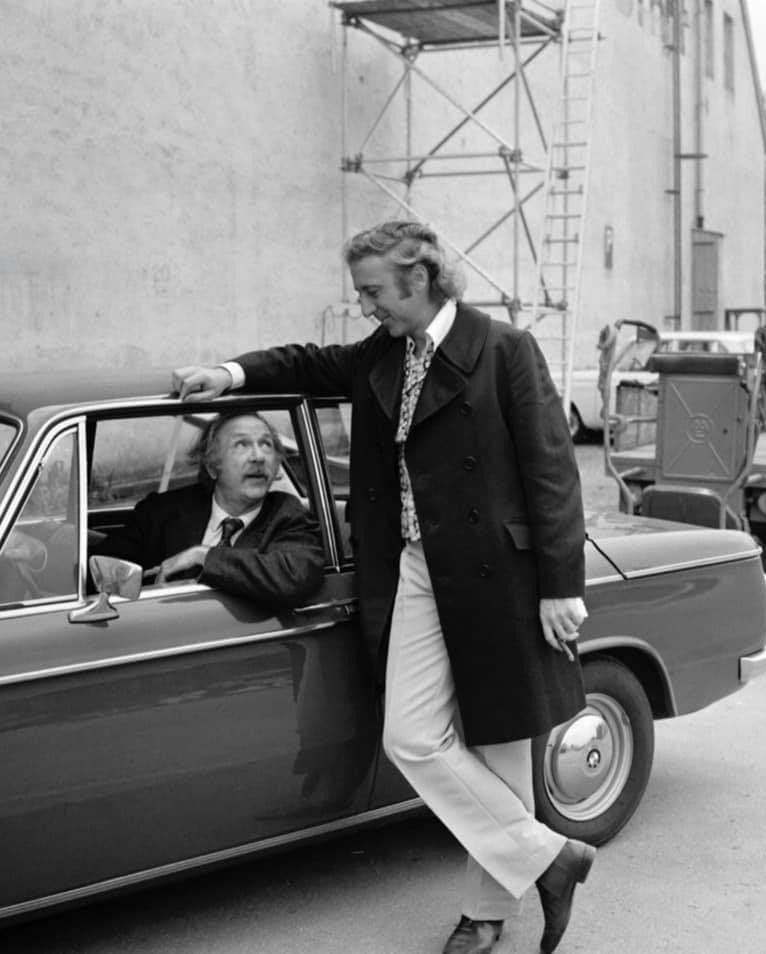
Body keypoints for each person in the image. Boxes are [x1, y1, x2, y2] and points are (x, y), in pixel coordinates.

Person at [172, 221, 595, 954]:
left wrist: (560, 585)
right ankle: (549, 857)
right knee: (411, 736)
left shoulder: (504, 350)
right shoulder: (383, 352)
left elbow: (553, 472)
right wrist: (230, 374)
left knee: (500, 744)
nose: (365, 305)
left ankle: (487, 912)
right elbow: (308, 362)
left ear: (419, 277)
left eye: (373, 291)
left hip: (497, 574)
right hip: (413, 567)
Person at [91, 410, 325, 610]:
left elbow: (296, 576)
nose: (258, 457)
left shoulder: (288, 514)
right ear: (212, 466)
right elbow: (98, 572)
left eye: (266, 444)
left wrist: (203, 556)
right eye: (241, 444)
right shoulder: (161, 511)